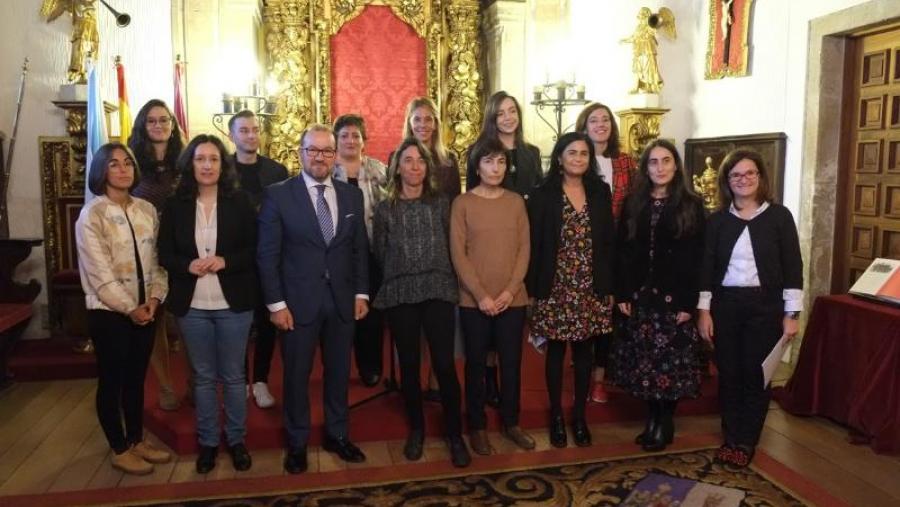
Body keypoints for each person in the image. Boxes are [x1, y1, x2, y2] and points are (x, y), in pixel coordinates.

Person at [257, 124, 370, 474]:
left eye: (326, 151)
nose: (320, 157)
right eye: (313, 150)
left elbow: (359, 249)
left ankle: (338, 435)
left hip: (342, 301)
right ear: (300, 153)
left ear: (335, 156)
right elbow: (267, 255)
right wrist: (276, 305)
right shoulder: (278, 195)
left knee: (339, 373)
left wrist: (361, 292)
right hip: (296, 305)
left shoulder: (351, 196)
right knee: (296, 376)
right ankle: (297, 443)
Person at [158, 135, 259, 474]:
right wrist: (186, 265)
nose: (207, 165)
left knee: (233, 376)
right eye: (200, 159)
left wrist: (226, 261)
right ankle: (208, 443)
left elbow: (254, 249)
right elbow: (164, 253)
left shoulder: (240, 201)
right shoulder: (175, 205)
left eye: (214, 159)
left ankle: (237, 440)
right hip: (193, 305)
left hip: (234, 303)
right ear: (190, 164)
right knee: (202, 377)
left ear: (223, 165)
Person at [697, 149, 803, 468]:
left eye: (749, 173)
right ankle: (730, 437)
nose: (743, 180)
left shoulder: (779, 217)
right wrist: (704, 311)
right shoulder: (717, 221)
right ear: (727, 181)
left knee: (756, 375)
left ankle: (746, 441)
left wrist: (792, 314)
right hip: (726, 306)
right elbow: (706, 267)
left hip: (765, 307)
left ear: (760, 177)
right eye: (736, 175)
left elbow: (793, 267)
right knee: (729, 373)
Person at [372, 137, 470, 468]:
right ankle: (417, 429)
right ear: (397, 168)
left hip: (438, 290)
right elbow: (380, 252)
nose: (415, 166)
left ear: (427, 168)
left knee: (444, 365)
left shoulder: (442, 203)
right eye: (408, 160)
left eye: (420, 161)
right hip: (401, 293)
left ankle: (455, 434)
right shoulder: (384, 209)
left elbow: (453, 246)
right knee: (410, 366)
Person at [75, 142, 171, 475]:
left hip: (146, 309)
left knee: (136, 379)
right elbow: (99, 273)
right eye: (113, 164)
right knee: (112, 381)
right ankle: (119, 447)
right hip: (109, 312)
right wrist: (130, 308)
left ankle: (136, 439)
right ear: (101, 171)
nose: (122, 169)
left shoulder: (146, 210)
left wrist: (155, 299)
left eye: (127, 162)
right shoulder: (93, 214)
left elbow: (156, 261)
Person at [608, 139, 706, 452]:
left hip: (673, 298)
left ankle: (665, 422)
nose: (660, 168)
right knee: (645, 364)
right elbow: (622, 251)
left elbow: (698, 257)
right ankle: (652, 419)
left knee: (670, 365)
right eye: (653, 162)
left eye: (666, 161)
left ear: (676, 166)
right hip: (640, 296)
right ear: (645, 168)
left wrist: (688, 301)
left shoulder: (691, 204)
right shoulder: (634, 203)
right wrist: (623, 292)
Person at [527, 132, 615, 449]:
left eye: (584, 153)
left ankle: (579, 417)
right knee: (555, 351)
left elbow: (608, 242)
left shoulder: (600, 192)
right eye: (572, 153)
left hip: (589, 284)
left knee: (584, 353)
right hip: (555, 283)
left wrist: (608, 285)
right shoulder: (542, 194)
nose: (578, 158)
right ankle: (556, 416)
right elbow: (535, 245)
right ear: (559, 158)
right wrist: (532, 289)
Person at [451, 138, 534, 456]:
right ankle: (477, 426)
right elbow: (459, 255)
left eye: (500, 162)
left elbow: (524, 249)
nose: (495, 168)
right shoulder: (463, 203)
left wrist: (510, 290)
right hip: (474, 301)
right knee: (475, 365)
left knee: (511, 364)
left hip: (512, 299)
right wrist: (481, 295)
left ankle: (512, 423)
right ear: (477, 166)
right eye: (488, 161)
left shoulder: (515, 202)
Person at [465, 91, 542, 407]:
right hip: (489, 244)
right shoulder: (479, 151)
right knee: (487, 332)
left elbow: (538, 197)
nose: (508, 117)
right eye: (501, 113)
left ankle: (507, 386)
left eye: (512, 111)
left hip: (523, 241)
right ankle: (489, 381)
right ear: (492, 118)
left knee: (511, 324)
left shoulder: (531, 153)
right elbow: (473, 198)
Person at [575, 102, 638, 404]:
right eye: (593, 120)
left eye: (605, 120)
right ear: (584, 127)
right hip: (583, 248)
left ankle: (600, 377)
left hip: (618, 247)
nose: (600, 125)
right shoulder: (577, 160)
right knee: (584, 311)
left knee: (607, 313)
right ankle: (582, 370)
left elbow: (635, 202)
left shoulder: (625, 162)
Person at [400, 97, 461, 401]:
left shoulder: (449, 161)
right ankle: (415, 382)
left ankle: (437, 379)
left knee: (440, 323)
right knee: (414, 325)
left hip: (441, 250)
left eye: (428, 119)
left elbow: (456, 208)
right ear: (409, 123)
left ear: (436, 124)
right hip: (409, 251)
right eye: (417, 119)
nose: (423, 125)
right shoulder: (398, 156)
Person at [228, 110, 289, 409]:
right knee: (238, 322)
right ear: (232, 135)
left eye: (255, 129)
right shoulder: (222, 169)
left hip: (270, 257)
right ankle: (239, 380)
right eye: (244, 130)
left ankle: (261, 380)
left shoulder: (277, 171)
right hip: (233, 259)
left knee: (267, 322)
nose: (251, 135)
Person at [129, 99, 186, 411]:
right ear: (143, 125)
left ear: (173, 125)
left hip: (182, 247)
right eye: (151, 120)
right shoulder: (132, 163)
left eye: (164, 120)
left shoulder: (185, 161)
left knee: (188, 317)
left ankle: (195, 381)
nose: (158, 125)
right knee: (156, 319)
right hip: (146, 249)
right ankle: (165, 385)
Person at [332, 113, 388, 388]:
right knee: (340, 312)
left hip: (372, 252)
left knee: (372, 314)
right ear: (336, 140)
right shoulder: (328, 171)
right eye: (344, 135)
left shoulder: (379, 170)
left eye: (356, 135)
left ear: (364, 140)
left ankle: (370, 365)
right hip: (338, 255)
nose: (350, 140)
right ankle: (340, 366)